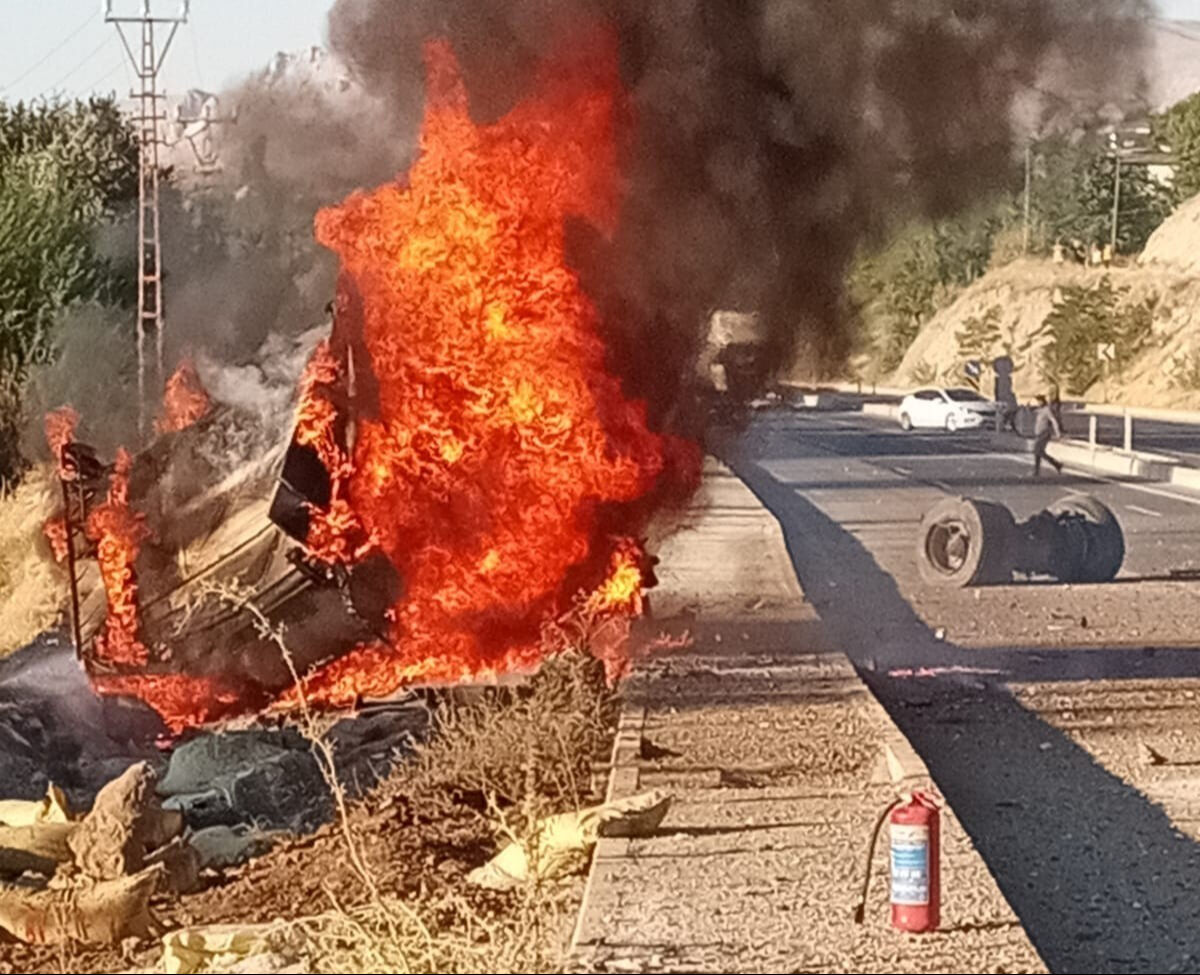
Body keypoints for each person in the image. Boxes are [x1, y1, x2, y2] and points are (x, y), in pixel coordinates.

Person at [1033, 394, 1063, 477]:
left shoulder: (1047, 410)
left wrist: (1057, 432)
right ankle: (1037, 471)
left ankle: (1056, 464)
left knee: (1038, 451)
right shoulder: (1040, 410)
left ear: (1043, 401)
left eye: (1039, 401)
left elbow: (1053, 420)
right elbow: (1033, 411)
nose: (1038, 403)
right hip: (1039, 433)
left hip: (1044, 433)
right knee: (1037, 452)